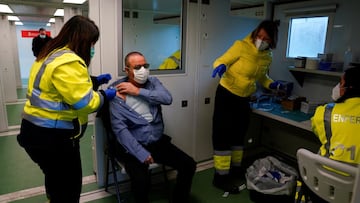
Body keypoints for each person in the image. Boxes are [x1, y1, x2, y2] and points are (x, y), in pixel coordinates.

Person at [17, 15, 117, 203]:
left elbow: (61, 87)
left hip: (33, 132)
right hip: (53, 139)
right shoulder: (69, 61)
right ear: (83, 40)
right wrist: (104, 96)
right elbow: (84, 103)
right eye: (92, 43)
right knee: (69, 190)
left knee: (55, 181)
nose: (92, 48)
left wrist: (94, 81)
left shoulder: (50, 53)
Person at [108, 51, 196, 203]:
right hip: (132, 146)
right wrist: (140, 152)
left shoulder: (153, 82)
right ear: (127, 70)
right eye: (137, 67)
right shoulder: (116, 91)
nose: (143, 70)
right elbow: (120, 130)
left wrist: (138, 91)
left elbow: (167, 99)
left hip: (156, 142)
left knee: (189, 165)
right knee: (141, 180)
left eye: (145, 66)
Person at [211, 20, 283, 193]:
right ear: (255, 33)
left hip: (243, 99)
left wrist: (272, 84)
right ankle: (220, 177)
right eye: (259, 36)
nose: (261, 40)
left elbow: (262, 76)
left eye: (266, 38)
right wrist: (220, 66)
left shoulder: (267, 56)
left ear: (272, 41)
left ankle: (235, 170)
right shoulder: (241, 46)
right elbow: (222, 60)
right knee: (223, 136)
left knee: (238, 135)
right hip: (227, 95)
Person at [309, 66, 360, 203]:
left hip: (325, 184)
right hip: (355, 193)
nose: (338, 86)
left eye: (341, 82)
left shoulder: (324, 113)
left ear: (347, 87)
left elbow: (318, 132)